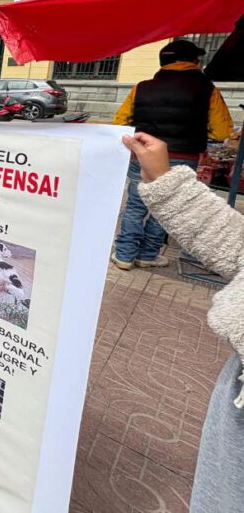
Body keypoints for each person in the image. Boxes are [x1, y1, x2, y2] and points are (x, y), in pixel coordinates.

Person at [122, 131, 244, 513]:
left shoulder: (141, 98)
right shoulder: (206, 96)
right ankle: (136, 253)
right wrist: (164, 182)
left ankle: (126, 254)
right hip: (182, 156)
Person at [112, 39, 233, 270]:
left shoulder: (142, 87)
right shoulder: (207, 89)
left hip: (143, 156)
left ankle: (124, 255)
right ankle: (148, 255)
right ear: (193, 61)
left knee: (135, 207)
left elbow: (120, 122)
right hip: (182, 159)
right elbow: (222, 130)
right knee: (164, 208)